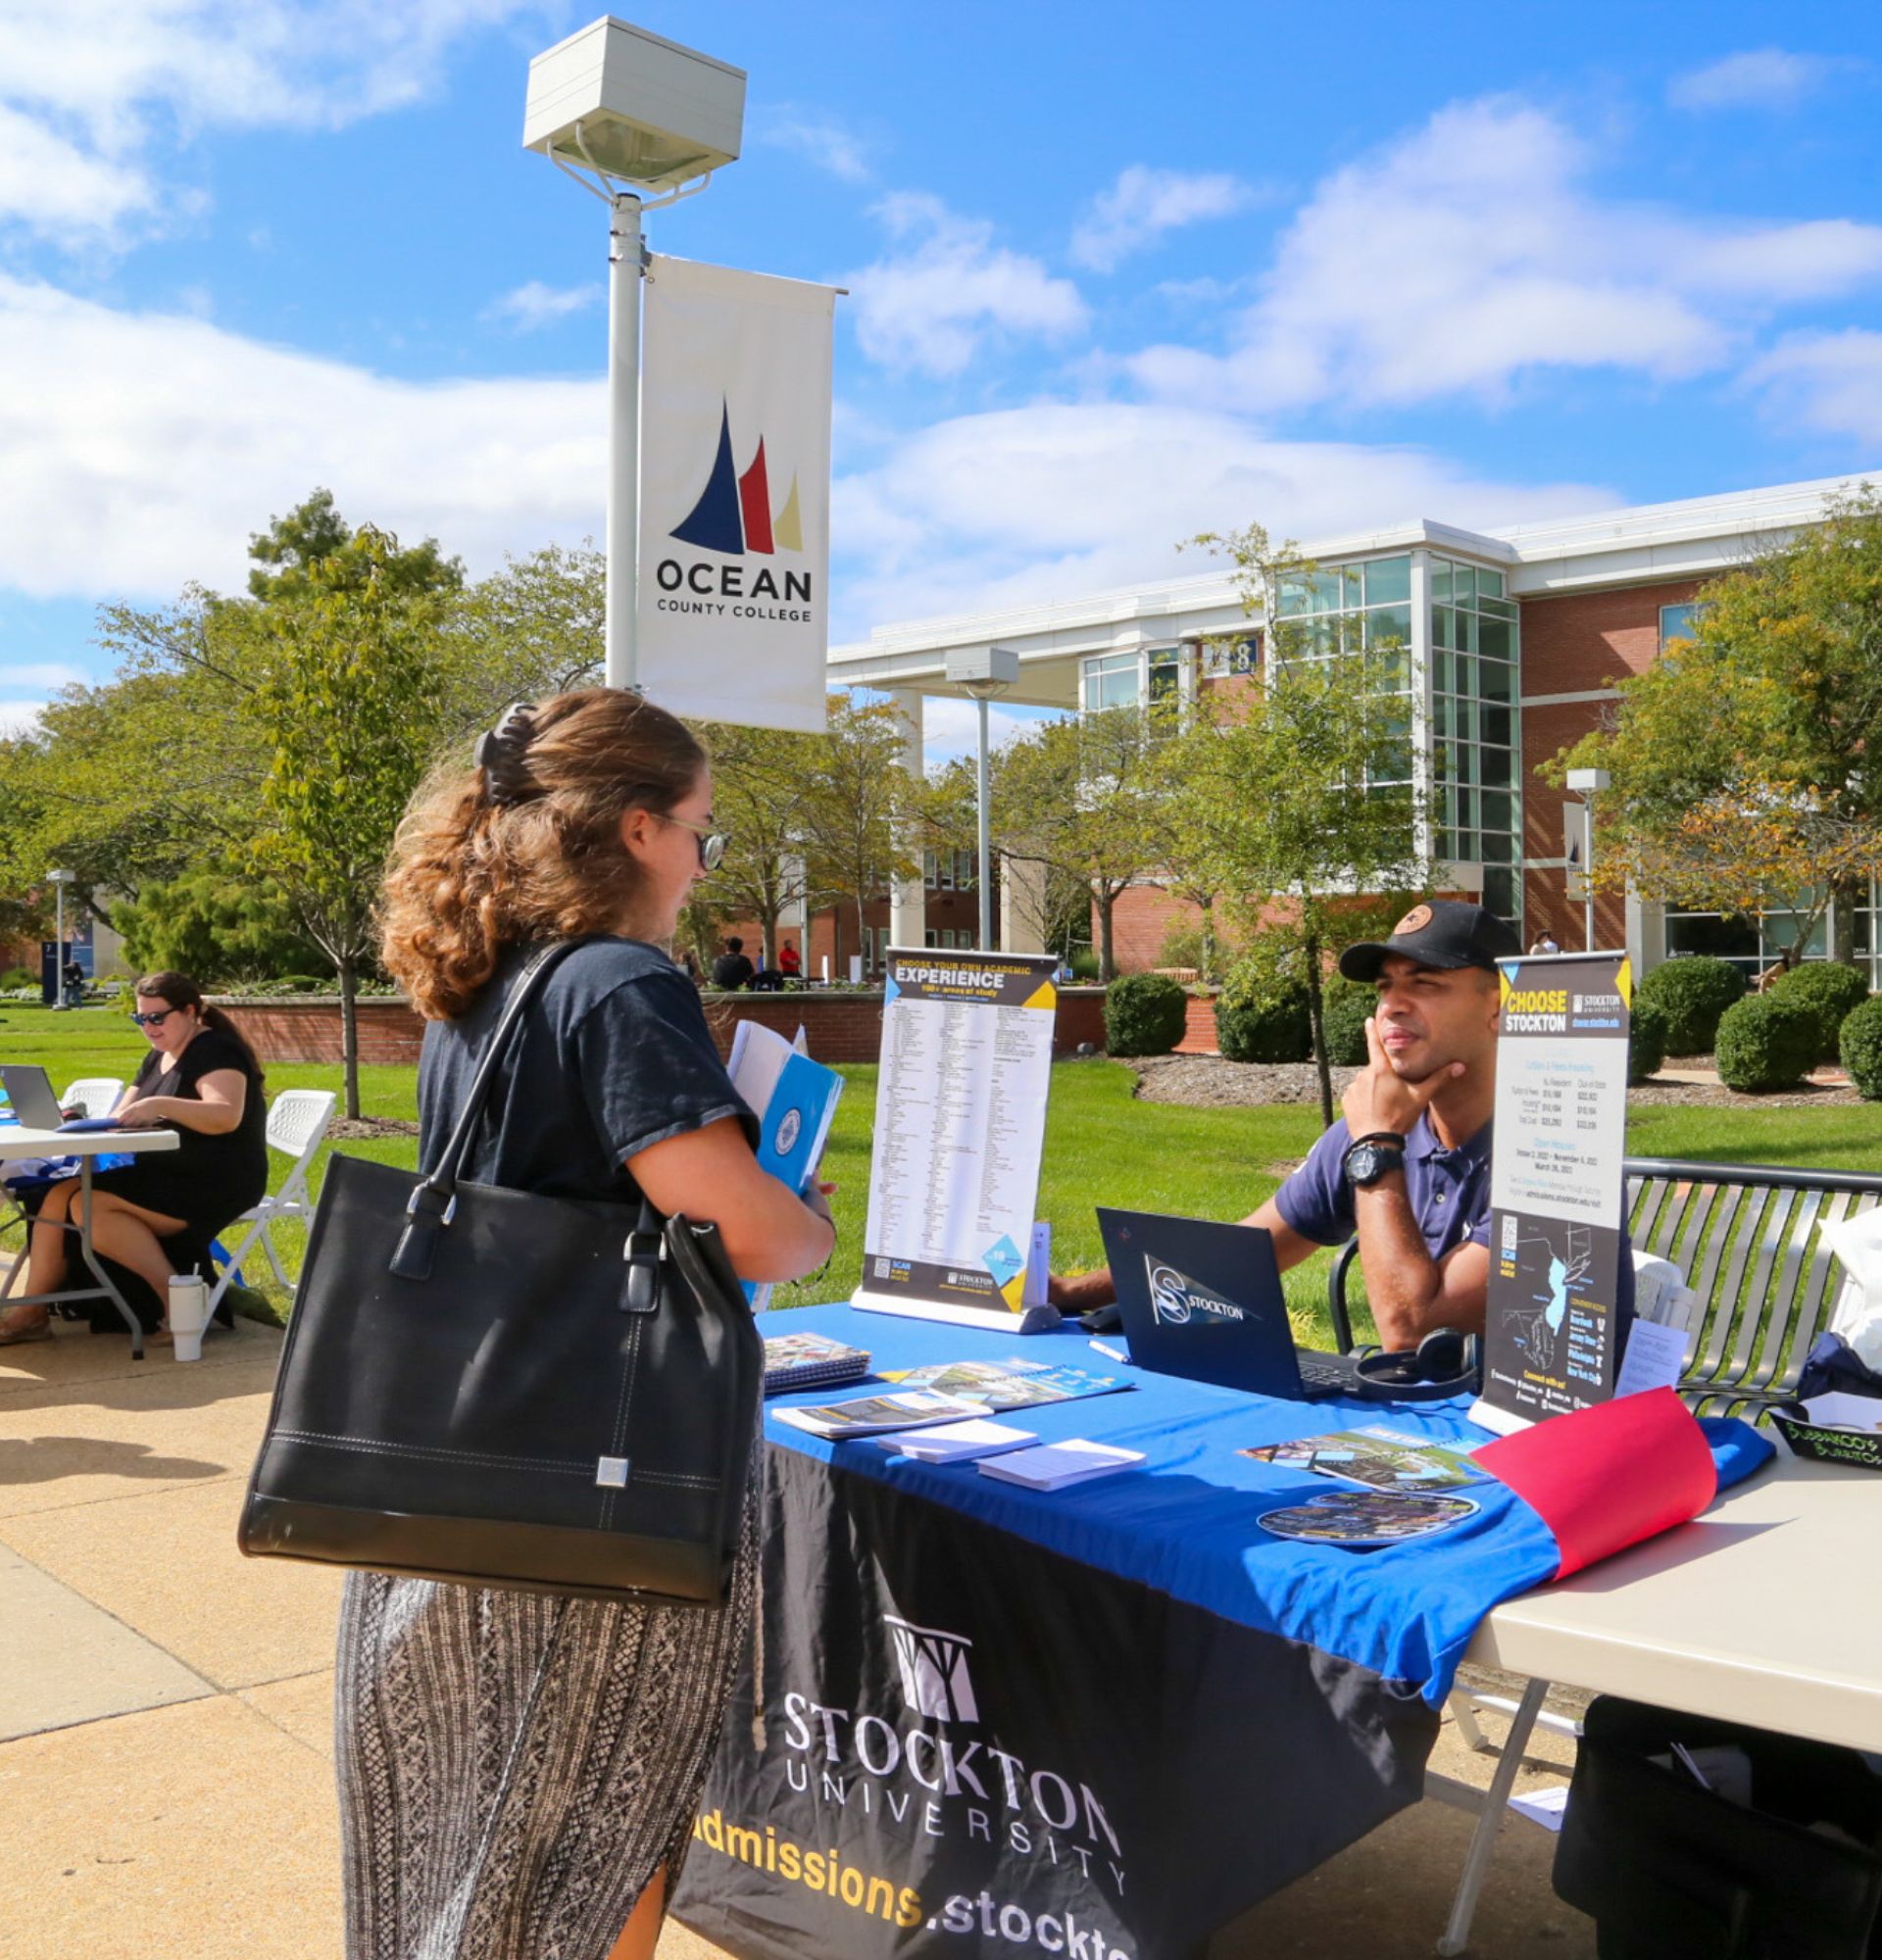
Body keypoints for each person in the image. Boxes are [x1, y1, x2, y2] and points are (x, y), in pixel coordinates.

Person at [360, 689, 835, 1960]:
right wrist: (804, 1219)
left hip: (477, 1444)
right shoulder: (618, 980)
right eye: (698, 830)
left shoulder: (484, 983)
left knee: (490, 1828)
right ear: (634, 829)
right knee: (605, 1818)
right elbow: (745, 1230)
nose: (700, 860)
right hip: (602, 1476)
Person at [1052, 901, 1634, 1351]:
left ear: (1498, 1009)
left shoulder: (1555, 1154)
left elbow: (1410, 1328)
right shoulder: (1375, 1128)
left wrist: (1377, 1146)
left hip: (1546, 1450)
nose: (1392, 1007)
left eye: (1425, 984)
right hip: (1423, 1432)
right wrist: (1067, 1294)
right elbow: (1243, 1257)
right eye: (1385, 987)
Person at [0, 970, 270, 1345]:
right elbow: (122, 1115)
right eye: (140, 1018)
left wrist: (159, 1105)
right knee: (58, 1195)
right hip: (164, 1171)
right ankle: (32, 1312)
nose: (149, 1027)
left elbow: (225, 1116)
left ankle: (177, 1302)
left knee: (89, 1205)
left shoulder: (216, 1050)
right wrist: (81, 1123)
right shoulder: (158, 1055)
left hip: (214, 1179)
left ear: (190, 1011)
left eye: (157, 1017)